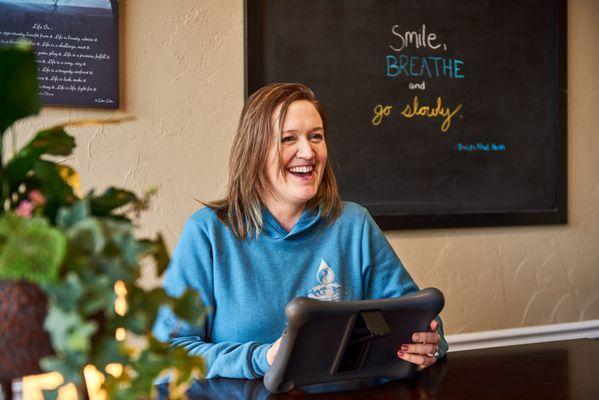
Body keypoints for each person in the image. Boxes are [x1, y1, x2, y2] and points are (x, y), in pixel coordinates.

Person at [153, 83, 448, 379]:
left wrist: (431, 346)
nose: (308, 152)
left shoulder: (354, 224)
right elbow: (169, 353)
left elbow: (418, 320)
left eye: (316, 137)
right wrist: (263, 358)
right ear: (255, 150)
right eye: (288, 139)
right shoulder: (207, 232)